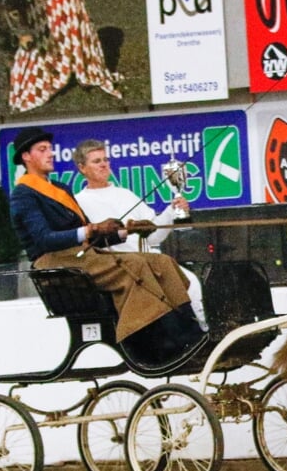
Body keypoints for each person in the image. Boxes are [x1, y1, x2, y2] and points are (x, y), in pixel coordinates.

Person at [8, 126, 207, 367]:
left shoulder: (60, 189)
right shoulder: (24, 194)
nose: (50, 153)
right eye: (42, 150)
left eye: (50, 149)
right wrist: (89, 230)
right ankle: (154, 339)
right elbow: (43, 238)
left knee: (161, 262)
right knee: (133, 263)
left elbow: (92, 234)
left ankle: (191, 331)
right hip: (54, 259)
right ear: (27, 157)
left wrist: (124, 231)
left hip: (81, 253)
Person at [72, 138, 207, 329]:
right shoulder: (79, 202)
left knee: (191, 282)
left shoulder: (125, 194)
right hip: (120, 268)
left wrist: (171, 211)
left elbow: (153, 236)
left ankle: (203, 332)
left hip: (153, 261)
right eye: (96, 161)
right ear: (82, 168)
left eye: (106, 160)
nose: (103, 165)